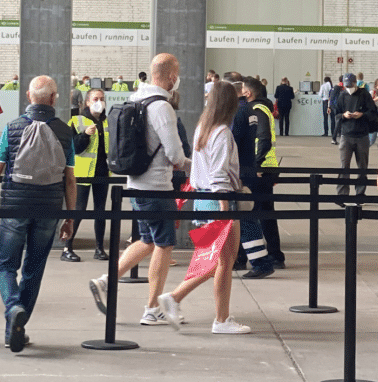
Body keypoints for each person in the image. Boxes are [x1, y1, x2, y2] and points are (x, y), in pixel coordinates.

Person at [0, 75, 75, 353]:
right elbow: (70, 180)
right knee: (34, 268)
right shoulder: (65, 133)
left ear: (29, 96)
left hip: (15, 206)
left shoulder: (13, 128)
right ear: (54, 99)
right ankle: (16, 326)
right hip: (49, 207)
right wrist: (70, 217)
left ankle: (13, 309)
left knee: (6, 266)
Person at [88, 54, 189, 326]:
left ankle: (106, 281)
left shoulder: (135, 99)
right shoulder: (161, 107)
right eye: (177, 73)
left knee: (146, 240)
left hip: (134, 183)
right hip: (157, 186)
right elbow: (174, 153)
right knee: (164, 244)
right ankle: (152, 308)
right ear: (170, 77)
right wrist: (192, 165)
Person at [157, 80, 250, 335]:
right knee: (221, 262)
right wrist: (224, 209)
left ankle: (214, 315)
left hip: (203, 198)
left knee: (218, 260)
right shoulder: (222, 133)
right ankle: (192, 305)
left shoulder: (203, 129)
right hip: (219, 200)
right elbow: (219, 175)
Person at [223, 72, 275, 278]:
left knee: (246, 218)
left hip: (242, 172)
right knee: (245, 217)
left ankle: (260, 262)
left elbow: (232, 143)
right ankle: (244, 259)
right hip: (247, 170)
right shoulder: (248, 110)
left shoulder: (239, 113)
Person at [62, 86, 110, 263]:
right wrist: (85, 135)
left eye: (102, 99)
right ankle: (67, 247)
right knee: (78, 210)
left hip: (102, 172)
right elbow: (71, 148)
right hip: (82, 173)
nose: (100, 102)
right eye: (96, 99)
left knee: (101, 211)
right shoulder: (75, 121)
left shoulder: (107, 122)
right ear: (88, 102)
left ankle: (99, 248)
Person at [243, 77, 284, 268]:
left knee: (257, 213)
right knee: (266, 213)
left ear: (248, 93)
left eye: (242, 89)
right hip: (266, 168)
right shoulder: (263, 109)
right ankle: (274, 255)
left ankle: (266, 257)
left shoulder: (257, 110)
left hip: (261, 170)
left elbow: (264, 140)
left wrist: (256, 165)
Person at [334, 71, 378, 198]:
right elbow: (336, 114)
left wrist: (362, 115)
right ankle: (342, 195)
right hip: (346, 136)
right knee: (344, 167)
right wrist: (344, 115)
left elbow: (373, 113)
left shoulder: (364, 94)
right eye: (347, 86)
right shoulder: (342, 95)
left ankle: (360, 194)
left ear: (356, 83)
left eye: (351, 85)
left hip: (362, 136)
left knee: (362, 167)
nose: (349, 88)